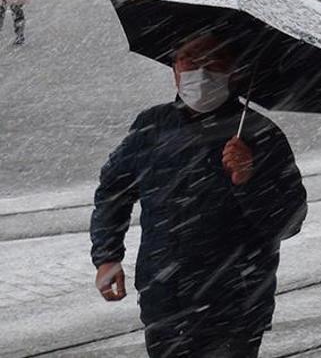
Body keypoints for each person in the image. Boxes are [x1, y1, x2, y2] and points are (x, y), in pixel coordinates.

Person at [90, 35, 308, 357]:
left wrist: (250, 178)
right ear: (174, 68)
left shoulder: (260, 134)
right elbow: (113, 191)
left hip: (236, 306)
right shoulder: (151, 127)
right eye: (190, 60)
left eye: (214, 62)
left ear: (234, 72)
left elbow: (290, 220)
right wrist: (107, 255)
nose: (201, 73)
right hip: (163, 300)